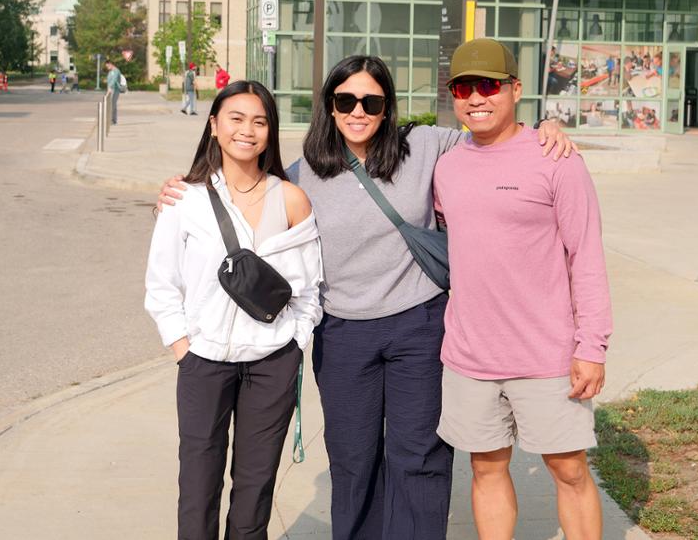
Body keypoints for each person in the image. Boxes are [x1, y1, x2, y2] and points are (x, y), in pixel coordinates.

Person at [157, 57, 575, 540]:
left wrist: (545, 127)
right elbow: (245, 202)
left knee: (417, 455)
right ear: (330, 108)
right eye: (345, 100)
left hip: (418, 326)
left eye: (371, 101)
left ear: (386, 107)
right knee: (353, 458)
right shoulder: (302, 175)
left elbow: (493, 139)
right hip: (343, 335)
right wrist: (181, 192)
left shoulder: (422, 145)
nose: (358, 111)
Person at [433, 38, 612, 540]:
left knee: (569, 470)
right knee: (487, 470)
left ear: (515, 89)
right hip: (471, 355)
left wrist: (591, 346)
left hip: (548, 356)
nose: (476, 98)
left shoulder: (556, 158)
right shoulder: (447, 165)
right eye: (464, 88)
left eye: (489, 85)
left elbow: (587, 257)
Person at [145, 80, 323, 540]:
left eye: (259, 121)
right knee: (198, 486)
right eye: (236, 119)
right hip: (203, 363)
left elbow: (309, 287)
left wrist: (294, 341)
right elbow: (161, 283)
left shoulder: (291, 198)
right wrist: (183, 347)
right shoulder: (184, 199)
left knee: (254, 489)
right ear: (214, 126)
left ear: (271, 131)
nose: (247, 130)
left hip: (271, 364)